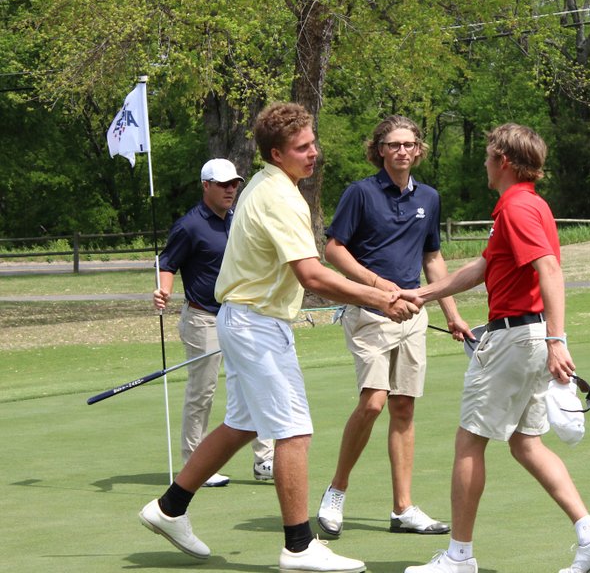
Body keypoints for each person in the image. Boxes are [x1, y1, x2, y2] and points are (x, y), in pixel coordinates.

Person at [139, 102, 420, 572]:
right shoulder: (281, 197)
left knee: (244, 424)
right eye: (302, 147)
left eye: (313, 143)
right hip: (255, 324)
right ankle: (297, 546)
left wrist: (375, 285)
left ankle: (168, 508)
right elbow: (311, 274)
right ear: (276, 152)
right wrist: (379, 300)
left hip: (248, 319)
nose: (314, 154)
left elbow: (313, 271)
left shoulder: (272, 184)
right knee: (294, 430)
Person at [399, 123, 590, 573]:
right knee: (526, 444)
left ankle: (459, 557)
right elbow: (482, 268)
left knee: (469, 443)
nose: (484, 163)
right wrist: (420, 295)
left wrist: (558, 340)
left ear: (503, 161)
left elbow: (550, 271)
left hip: (518, 338)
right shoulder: (527, 205)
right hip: (528, 336)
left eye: (487, 156)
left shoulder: (517, 208)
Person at [316, 115, 471, 538]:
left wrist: (451, 313)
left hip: (413, 314)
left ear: (418, 150)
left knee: (404, 407)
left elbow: (432, 258)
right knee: (373, 402)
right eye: (393, 144)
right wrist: (379, 287)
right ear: (380, 149)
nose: (402, 150)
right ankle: (336, 491)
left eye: (409, 144)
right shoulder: (360, 193)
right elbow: (334, 249)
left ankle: (402, 508)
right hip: (369, 312)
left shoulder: (430, 198)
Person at [154, 158, 274, 487]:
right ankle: (196, 464)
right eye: (223, 184)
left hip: (239, 317)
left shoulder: (237, 220)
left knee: (255, 383)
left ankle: (265, 459)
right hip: (202, 319)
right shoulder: (190, 225)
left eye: (234, 183)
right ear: (205, 185)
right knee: (202, 393)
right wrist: (164, 291)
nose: (231, 190)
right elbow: (168, 263)